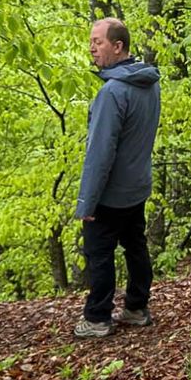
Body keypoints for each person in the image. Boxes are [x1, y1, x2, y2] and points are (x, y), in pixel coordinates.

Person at [74, 18, 162, 338]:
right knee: (135, 246)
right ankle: (136, 308)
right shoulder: (149, 82)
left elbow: (100, 154)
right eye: (91, 41)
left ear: (118, 46)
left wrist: (88, 201)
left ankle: (97, 318)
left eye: (98, 41)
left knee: (99, 254)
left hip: (110, 193)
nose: (92, 47)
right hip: (136, 186)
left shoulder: (113, 93)